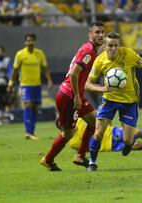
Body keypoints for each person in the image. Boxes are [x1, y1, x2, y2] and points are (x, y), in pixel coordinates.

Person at [85, 32, 142, 172]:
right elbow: (88, 84)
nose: (113, 48)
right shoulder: (99, 61)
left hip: (130, 101)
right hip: (109, 100)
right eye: (110, 45)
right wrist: (103, 88)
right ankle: (92, 162)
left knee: (128, 140)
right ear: (105, 46)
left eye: (115, 45)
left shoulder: (129, 54)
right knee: (99, 133)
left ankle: (128, 145)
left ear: (119, 45)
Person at [40, 22, 105, 171]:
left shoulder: (90, 50)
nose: (100, 35)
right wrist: (77, 97)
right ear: (90, 34)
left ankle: (80, 156)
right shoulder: (89, 51)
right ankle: (48, 159)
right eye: (97, 32)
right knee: (69, 133)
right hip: (69, 96)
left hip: (73, 94)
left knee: (95, 121)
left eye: (102, 32)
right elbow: (75, 73)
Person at [7, 33, 53, 140]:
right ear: (25, 42)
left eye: (32, 40)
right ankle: (28, 132)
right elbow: (15, 70)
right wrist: (10, 83)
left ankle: (32, 131)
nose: (30, 42)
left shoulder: (40, 54)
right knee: (27, 105)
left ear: (35, 42)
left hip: (37, 85)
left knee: (35, 108)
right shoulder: (20, 54)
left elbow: (44, 68)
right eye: (28, 40)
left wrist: (49, 80)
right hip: (25, 85)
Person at [69, 118, 142, 167]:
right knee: (138, 145)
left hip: (112, 132)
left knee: (136, 132)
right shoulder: (72, 143)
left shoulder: (80, 120)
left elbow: (97, 119)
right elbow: (88, 148)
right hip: (110, 146)